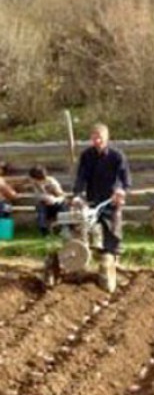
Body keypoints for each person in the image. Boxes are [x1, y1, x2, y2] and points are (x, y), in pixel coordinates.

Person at [73, 123, 131, 292]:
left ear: (107, 138)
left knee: (112, 229)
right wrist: (77, 193)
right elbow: (81, 176)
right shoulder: (86, 156)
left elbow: (125, 178)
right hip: (93, 197)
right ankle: (84, 259)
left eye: (100, 138)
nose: (97, 141)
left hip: (111, 198)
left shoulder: (116, 156)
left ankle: (113, 260)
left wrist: (121, 191)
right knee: (85, 227)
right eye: (94, 138)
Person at [28, 164, 67, 236]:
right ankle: (43, 229)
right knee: (40, 208)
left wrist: (55, 200)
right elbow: (38, 196)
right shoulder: (35, 183)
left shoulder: (51, 182)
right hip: (44, 204)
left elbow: (62, 196)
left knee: (63, 207)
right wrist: (43, 198)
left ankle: (61, 227)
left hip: (56, 204)